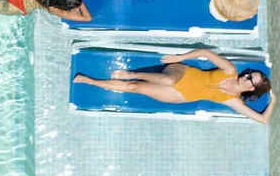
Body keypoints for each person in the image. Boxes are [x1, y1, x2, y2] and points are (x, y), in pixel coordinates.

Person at [73, 49, 276, 124]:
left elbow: (263, 120)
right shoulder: (230, 70)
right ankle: (131, 73)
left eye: (250, 79)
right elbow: (206, 53)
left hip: (181, 95)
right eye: (249, 73)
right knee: (168, 80)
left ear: (251, 89)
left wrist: (275, 99)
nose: (246, 75)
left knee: (134, 88)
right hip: (182, 73)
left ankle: (91, 81)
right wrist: (180, 57)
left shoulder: (233, 101)